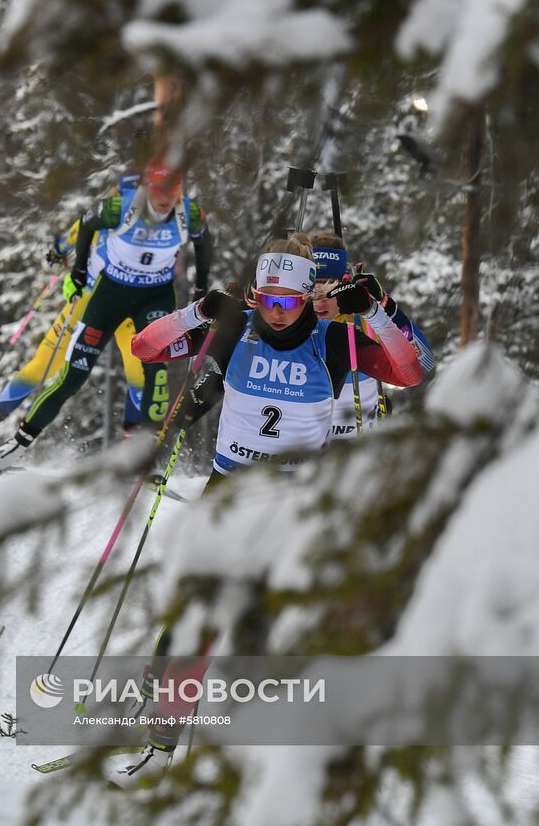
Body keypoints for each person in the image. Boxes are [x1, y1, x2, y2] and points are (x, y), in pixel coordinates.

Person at [111, 233, 423, 781]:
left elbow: (410, 372)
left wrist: (375, 310)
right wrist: (196, 312)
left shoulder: (332, 340)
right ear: (256, 294)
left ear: (306, 297)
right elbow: (145, 349)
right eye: (268, 300)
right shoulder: (236, 329)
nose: (277, 312)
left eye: (290, 301)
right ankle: (160, 730)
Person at [0, 153, 211, 471]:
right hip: (110, 294)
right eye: (158, 190)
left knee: (155, 371)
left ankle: (145, 456)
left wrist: (201, 286)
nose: (164, 199)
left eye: (172, 191)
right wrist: (78, 270)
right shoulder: (121, 207)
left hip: (155, 297)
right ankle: (19, 445)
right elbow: (87, 224)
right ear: (147, 188)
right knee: (73, 376)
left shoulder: (189, 214)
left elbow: (204, 242)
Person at [0, 184, 147, 456]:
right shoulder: (104, 215)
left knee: (140, 371)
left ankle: (134, 450)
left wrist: (59, 251)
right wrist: (60, 252)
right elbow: (72, 236)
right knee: (43, 364)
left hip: (127, 309)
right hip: (89, 303)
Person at [311, 231, 435, 439]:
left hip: (358, 447)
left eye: (329, 287)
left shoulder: (366, 318)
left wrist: (384, 304)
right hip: (304, 449)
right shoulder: (290, 321)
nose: (320, 301)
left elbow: (424, 364)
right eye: (313, 290)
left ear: (343, 283)